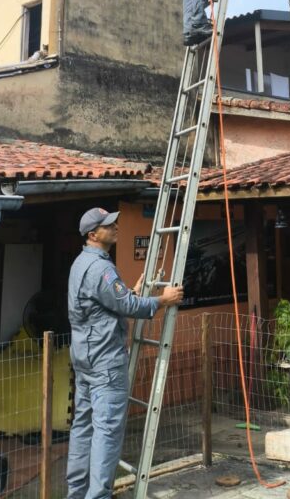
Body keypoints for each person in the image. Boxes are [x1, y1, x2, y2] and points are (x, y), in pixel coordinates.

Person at [67, 207, 183, 499]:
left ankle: (77, 494)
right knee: (106, 432)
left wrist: (129, 291)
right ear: (94, 234)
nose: (116, 226)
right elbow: (129, 307)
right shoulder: (101, 268)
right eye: (109, 225)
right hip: (105, 360)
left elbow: (105, 304)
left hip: (84, 357)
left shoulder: (80, 263)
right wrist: (163, 299)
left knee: (82, 428)